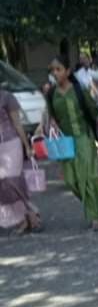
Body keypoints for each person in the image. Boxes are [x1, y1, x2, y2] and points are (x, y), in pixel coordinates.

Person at [46, 55, 98, 231]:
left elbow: (95, 114)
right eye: (53, 70)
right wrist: (50, 127)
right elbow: (51, 116)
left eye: (58, 69)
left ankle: (95, 216)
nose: (55, 73)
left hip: (84, 137)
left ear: (67, 71)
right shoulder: (51, 94)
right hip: (65, 142)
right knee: (72, 181)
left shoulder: (79, 90)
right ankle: (96, 205)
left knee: (89, 177)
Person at [0, 89, 42, 234]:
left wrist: (27, 146)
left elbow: (17, 123)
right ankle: (23, 219)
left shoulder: (7, 97)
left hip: (12, 143)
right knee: (3, 185)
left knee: (14, 182)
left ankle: (31, 213)